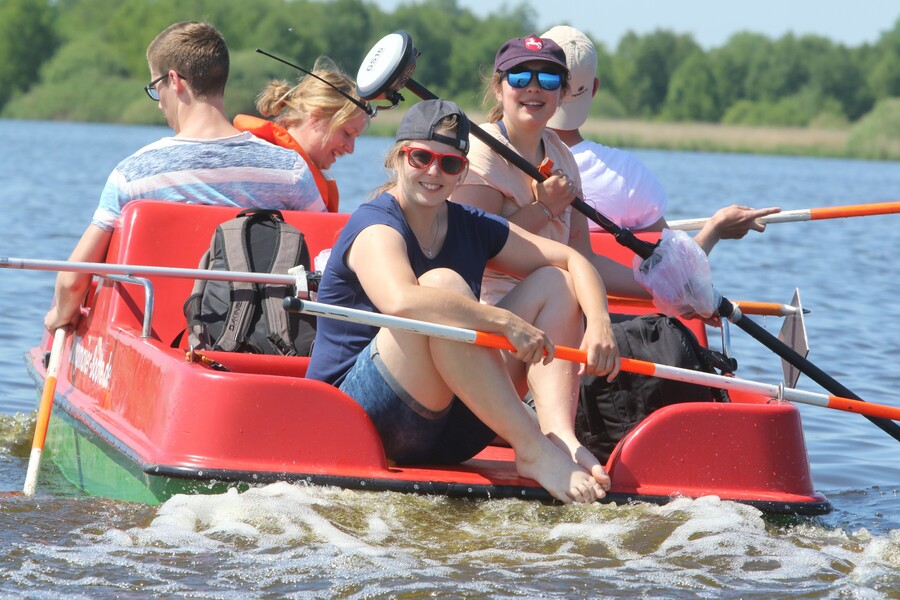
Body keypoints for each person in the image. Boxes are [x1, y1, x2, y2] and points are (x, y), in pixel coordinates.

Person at [306, 99, 621, 504]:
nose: (434, 172)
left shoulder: (471, 225)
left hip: (453, 429)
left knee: (556, 282)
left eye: (449, 164)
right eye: (421, 157)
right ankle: (532, 450)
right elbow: (400, 301)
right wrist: (501, 322)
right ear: (398, 158)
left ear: (463, 172)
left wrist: (599, 324)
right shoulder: (375, 225)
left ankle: (557, 438)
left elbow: (574, 259)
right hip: (359, 422)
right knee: (442, 285)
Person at [44, 21, 325, 332]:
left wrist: (57, 317)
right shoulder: (290, 169)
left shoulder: (133, 174)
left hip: (157, 337)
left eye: (156, 88)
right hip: (260, 338)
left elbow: (72, 283)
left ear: (174, 80)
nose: (159, 102)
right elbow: (327, 259)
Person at [541, 25, 780, 255]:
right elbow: (674, 272)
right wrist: (714, 229)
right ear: (593, 88)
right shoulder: (627, 175)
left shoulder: (507, 159)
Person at [451, 33, 648, 305]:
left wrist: (664, 292)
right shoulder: (482, 150)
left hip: (554, 309)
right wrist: (543, 209)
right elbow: (476, 250)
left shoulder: (562, 156)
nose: (534, 87)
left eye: (548, 79)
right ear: (498, 88)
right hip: (491, 312)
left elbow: (587, 259)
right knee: (561, 281)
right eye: (519, 77)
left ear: (563, 93)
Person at [234, 57, 370, 212]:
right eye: (347, 133)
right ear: (316, 117)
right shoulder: (289, 174)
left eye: (355, 138)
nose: (351, 149)